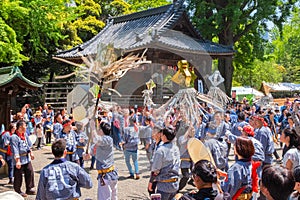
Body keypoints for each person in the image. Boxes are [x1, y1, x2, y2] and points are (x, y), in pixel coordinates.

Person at [148, 126, 180, 200]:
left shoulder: (161, 150)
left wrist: (151, 182)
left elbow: (155, 170)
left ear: (164, 137)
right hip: (175, 184)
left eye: (162, 135)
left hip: (164, 185)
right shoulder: (176, 148)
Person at [92, 121, 118, 200]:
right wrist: (86, 155)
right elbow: (91, 151)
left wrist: (92, 128)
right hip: (105, 175)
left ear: (101, 130)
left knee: (106, 198)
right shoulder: (99, 143)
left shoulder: (108, 139)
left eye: (99, 129)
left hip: (108, 174)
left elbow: (98, 140)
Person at [10, 120, 35, 197]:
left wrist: (31, 153)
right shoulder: (14, 137)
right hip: (19, 158)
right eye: (25, 126)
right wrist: (17, 161)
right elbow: (15, 149)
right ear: (20, 127)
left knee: (30, 171)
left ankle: (29, 188)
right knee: (18, 176)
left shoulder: (25, 135)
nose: (26, 127)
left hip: (26, 158)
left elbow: (29, 145)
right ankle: (18, 191)